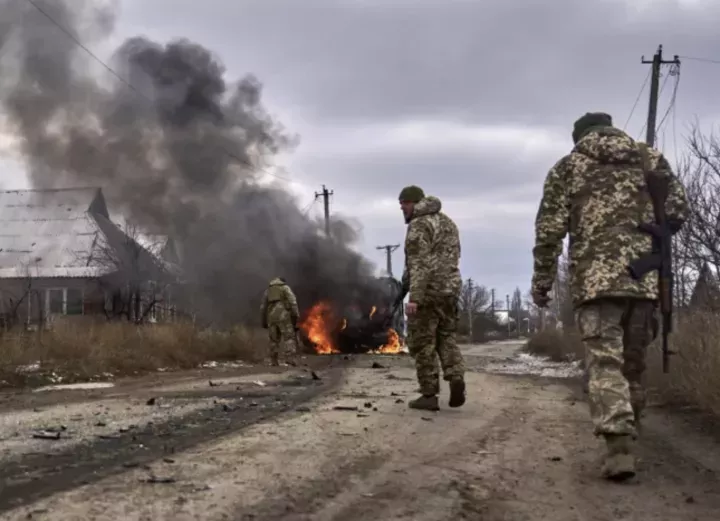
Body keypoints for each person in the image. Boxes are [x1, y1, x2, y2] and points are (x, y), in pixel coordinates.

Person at [531, 112, 688, 481]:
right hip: (645, 282)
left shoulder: (568, 167)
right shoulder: (649, 158)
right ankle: (632, 431)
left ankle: (619, 446)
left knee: (605, 363)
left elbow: (549, 230)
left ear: (579, 137)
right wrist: (650, 237)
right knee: (632, 364)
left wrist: (542, 282)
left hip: (596, 285)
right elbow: (679, 211)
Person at [398, 185, 466, 411]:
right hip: (450, 291)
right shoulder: (448, 223)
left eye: (405, 203)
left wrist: (414, 297)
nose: (402, 208)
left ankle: (429, 395)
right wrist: (403, 287)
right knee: (446, 336)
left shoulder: (418, 225)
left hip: (428, 293)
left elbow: (419, 264)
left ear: (416, 203)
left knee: (422, 344)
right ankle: (456, 376)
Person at [260, 277, 300, 366]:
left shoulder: (268, 291)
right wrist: (296, 316)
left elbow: (263, 307)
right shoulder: (285, 288)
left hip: (271, 317)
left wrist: (263, 321)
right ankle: (290, 359)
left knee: (273, 339)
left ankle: (273, 361)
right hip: (283, 316)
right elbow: (293, 302)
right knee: (289, 337)